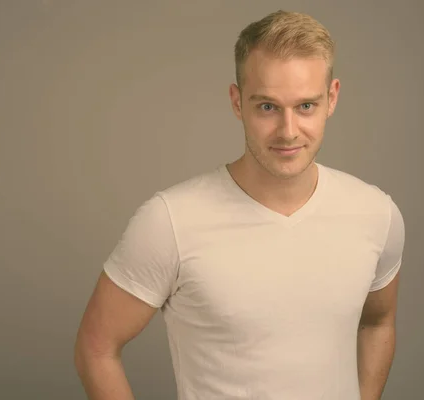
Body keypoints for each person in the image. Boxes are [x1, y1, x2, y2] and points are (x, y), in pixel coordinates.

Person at [74, 9, 405, 400]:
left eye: (305, 106)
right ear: (237, 101)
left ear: (331, 98)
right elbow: (96, 348)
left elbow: (378, 324)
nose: (287, 130)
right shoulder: (171, 222)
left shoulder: (376, 214)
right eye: (267, 106)